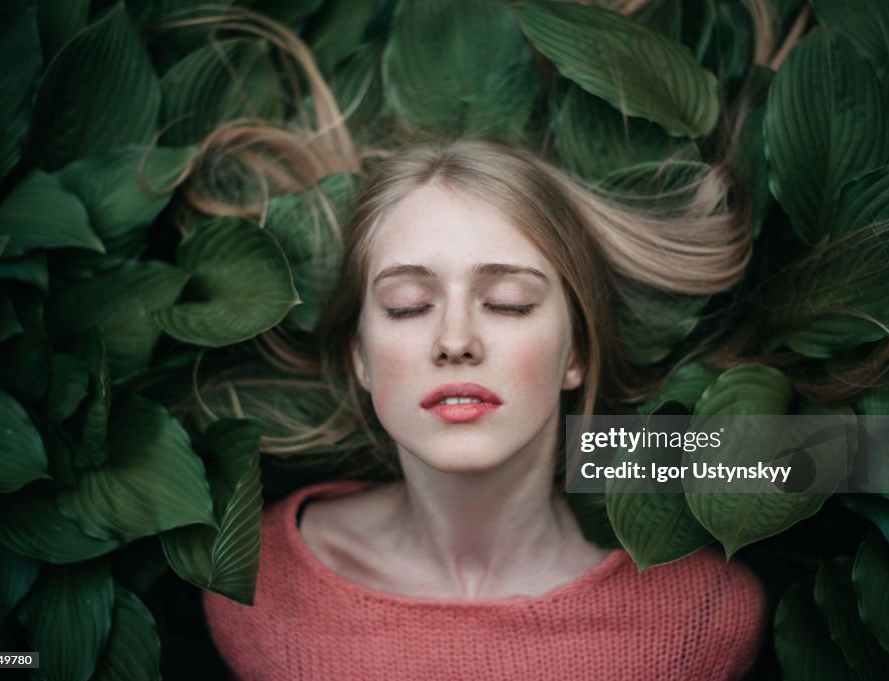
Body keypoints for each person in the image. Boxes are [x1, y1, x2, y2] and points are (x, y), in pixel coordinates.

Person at [199, 135, 766, 679]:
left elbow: (839, 456)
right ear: (361, 359)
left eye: (508, 303)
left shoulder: (705, 616)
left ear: (578, 355)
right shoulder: (256, 581)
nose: (455, 339)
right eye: (408, 306)